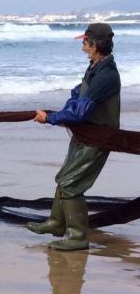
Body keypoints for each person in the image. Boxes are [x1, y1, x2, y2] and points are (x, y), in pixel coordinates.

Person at [28, 23, 121, 251]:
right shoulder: (95, 67)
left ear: (95, 44)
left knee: (72, 185)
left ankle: (78, 237)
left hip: (98, 137)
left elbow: (80, 111)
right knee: (64, 178)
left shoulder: (107, 75)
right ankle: (57, 223)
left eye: (85, 42)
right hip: (85, 133)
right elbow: (76, 94)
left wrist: (50, 119)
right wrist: (60, 113)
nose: (82, 47)